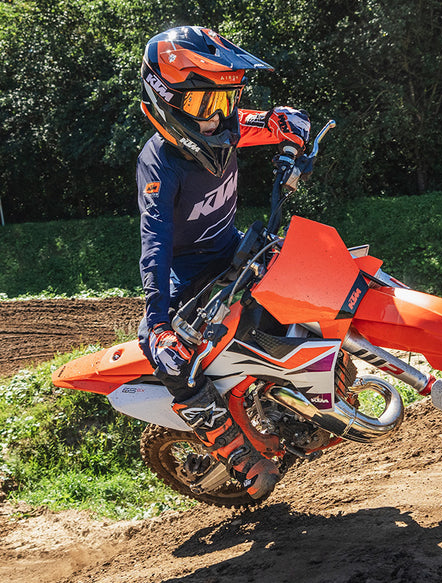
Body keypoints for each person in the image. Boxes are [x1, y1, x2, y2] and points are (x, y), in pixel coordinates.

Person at [135, 26, 310, 500]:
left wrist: (288, 124)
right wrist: (158, 323)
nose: (215, 117)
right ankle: (238, 454)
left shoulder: (223, 125)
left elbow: (271, 121)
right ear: (167, 100)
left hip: (234, 247)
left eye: (224, 100)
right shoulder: (159, 162)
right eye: (202, 103)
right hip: (190, 274)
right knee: (167, 356)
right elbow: (155, 243)